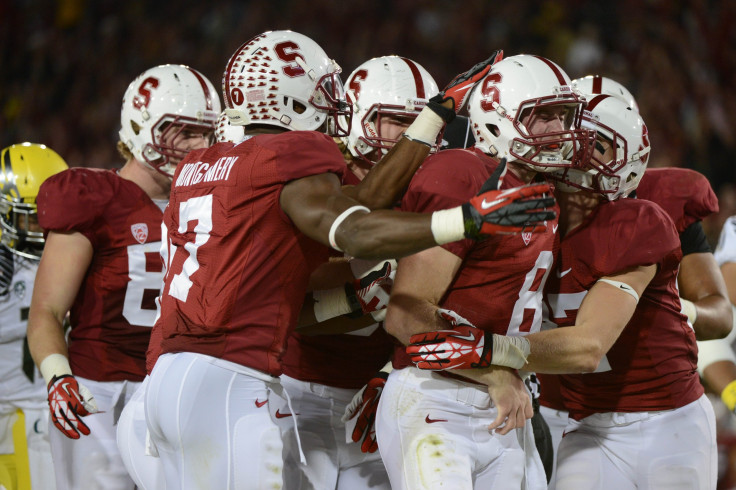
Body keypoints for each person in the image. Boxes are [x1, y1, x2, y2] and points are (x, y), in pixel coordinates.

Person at [143, 30, 553, 490]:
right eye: (321, 89)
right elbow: (357, 233)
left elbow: (360, 203)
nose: (332, 102)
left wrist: (432, 118)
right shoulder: (290, 157)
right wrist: (466, 220)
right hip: (233, 375)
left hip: (170, 372)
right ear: (286, 98)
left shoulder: (205, 164)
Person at [408, 94, 718, 489]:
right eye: (576, 134)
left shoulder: (635, 222)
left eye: (597, 144)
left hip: (667, 419)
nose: (577, 147)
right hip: (584, 421)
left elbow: (588, 347)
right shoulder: (522, 215)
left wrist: (488, 349)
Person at [377, 54, 592, 490]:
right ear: (498, 118)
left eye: (563, 116)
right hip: (439, 395)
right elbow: (406, 314)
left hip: (505, 399)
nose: (557, 130)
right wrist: (492, 372)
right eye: (541, 117)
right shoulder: (463, 172)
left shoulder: (535, 184)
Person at [26, 64, 220, 490]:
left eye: (206, 133)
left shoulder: (209, 204)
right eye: (182, 132)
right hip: (101, 389)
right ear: (139, 126)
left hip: (177, 389)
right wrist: (60, 378)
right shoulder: (93, 197)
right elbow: (46, 310)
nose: (197, 145)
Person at [533, 75, 732, 488]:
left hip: (663, 410)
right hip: (564, 408)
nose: (579, 150)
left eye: (596, 141)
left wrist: (675, 305)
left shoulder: (648, 212)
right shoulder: (525, 207)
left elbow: (720, 314)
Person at [270, 54, 439, 490]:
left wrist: (392, 369)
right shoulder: (317, 183)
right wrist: (355, 296)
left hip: (384, 396)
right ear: (360, 116)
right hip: (300, 391)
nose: (411, 136)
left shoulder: (431, 192)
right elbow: (287, 303)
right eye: (395, 121)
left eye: (419, 123)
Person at [0, 143, 67, 490]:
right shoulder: (5, 266)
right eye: (31, 216)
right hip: (15, 416)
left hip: (55, 409)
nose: (44, 228)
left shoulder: (71, 254)